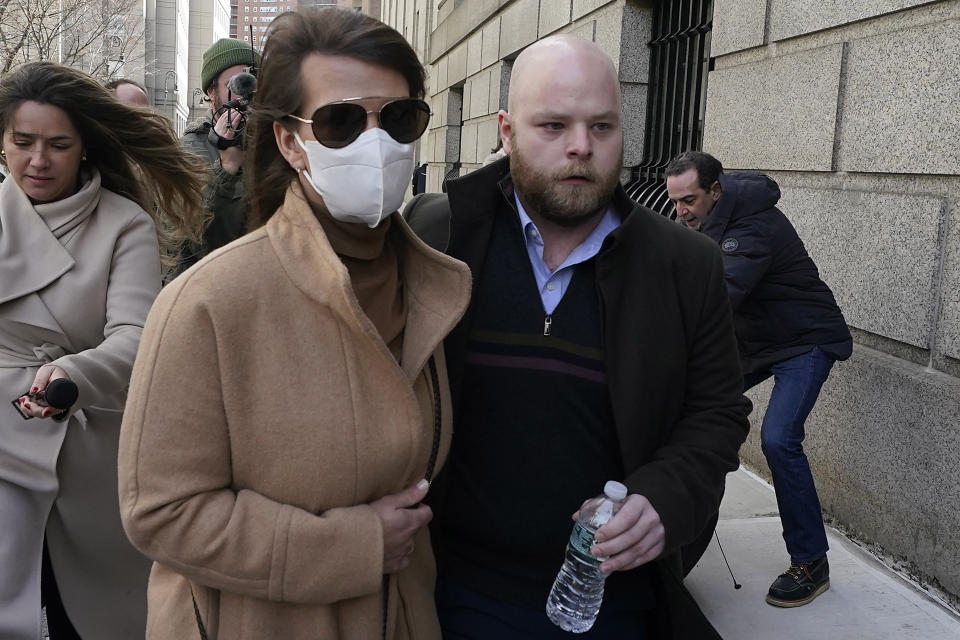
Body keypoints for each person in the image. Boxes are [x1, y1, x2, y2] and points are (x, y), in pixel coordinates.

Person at [118, 8, 470, 640]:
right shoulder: (208, 303)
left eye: (398, 118)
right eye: (339, 121)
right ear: (288, 140)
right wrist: (349, 547)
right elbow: (161, 513)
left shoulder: (435, 289)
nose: (377, 142)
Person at [403, 36, 750, 639]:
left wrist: (665, 498)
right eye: (554, 125)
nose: (581, 147)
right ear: (507, 131)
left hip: (611, 603)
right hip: (452, 592)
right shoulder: (438, 236)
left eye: (602, 126)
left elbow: (717, 413)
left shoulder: (685, 265)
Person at [0, 61, 206, 639]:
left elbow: (138, 339)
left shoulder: (124, 224)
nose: (37, 160)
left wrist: (72, 374)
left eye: (58, 145)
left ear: (85, 147)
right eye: (23, 142)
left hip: (84, 443)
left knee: (86, 618)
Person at [665, 150, 853, 607]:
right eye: (674, 202)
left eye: (688, 200)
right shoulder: (703, 221)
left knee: (778, 439)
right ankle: (673, 525)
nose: (680, 211)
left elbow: (717, 298)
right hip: (758, 342)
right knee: (682, 405)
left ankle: (812, 562)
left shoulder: (753, 226)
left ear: (715, 191)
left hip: (805, 341)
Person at [177, 37, 260, 273]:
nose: (249, 95)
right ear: (212, 91)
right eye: (239, 84)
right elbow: (187, 238)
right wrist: (227, 167)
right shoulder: (190, 149)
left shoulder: (276, 141)